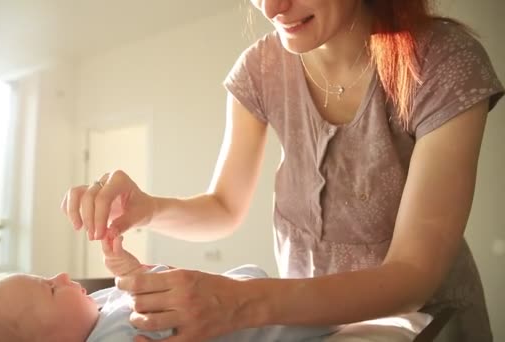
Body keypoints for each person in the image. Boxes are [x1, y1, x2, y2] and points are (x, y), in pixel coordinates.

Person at [61, 0, 503, 341]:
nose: (271, 8)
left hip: (431, 324)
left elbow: (412, 274)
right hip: (309, 326)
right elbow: (224, 207)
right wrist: (149, 208)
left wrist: (241, 304)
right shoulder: (259, 69)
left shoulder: (445, 61)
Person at [0, 235, 336, 342]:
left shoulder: (91, 310)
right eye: (49, 289)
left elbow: (151, 291)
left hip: (254, 290)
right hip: (294, 320)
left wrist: (133, 273)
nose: (61, 276)